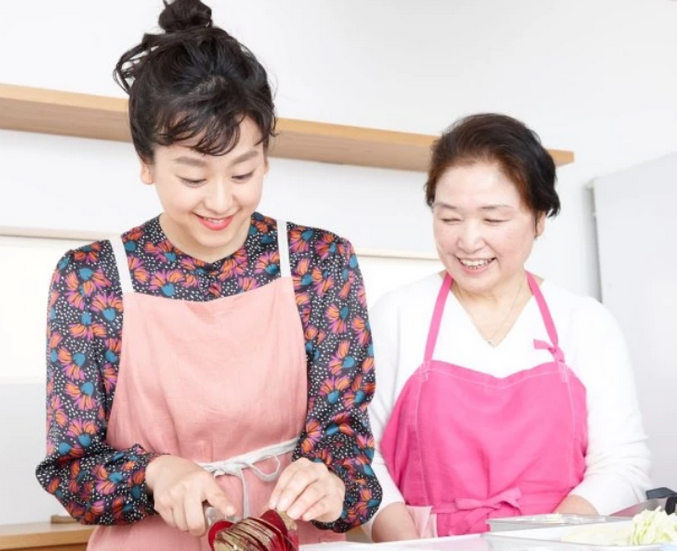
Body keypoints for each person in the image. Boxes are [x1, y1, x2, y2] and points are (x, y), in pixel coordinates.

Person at [35, 1, 381, 549]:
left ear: (265, 158)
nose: (221, 201)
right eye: (193, 177)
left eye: (242, 173)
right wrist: (155, 473)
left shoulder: (319, 263)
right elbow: (70, 470)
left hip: (291, 538)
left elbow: (348, 446)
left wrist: (334, 484)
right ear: (146, 162)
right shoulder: (91, 279)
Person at [366, 113, 651, 541]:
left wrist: (546, 541)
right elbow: (362, 457)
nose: (468, 241)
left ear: (539, 219)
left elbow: (622, 463)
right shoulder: (397, 316)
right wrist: (408, 546)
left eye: (493, 220)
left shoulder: (584, 323)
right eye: (449, 218)